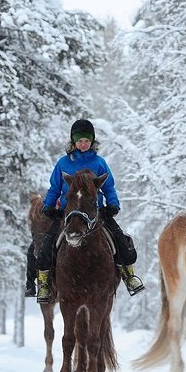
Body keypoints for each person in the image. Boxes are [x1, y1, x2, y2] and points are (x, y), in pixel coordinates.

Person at [35, 119, 144, 303]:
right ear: (73, 142)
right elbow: (54, 187)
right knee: (47, 246)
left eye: (86, 140)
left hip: (95, 212)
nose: (83, 144)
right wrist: (48, 205)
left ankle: (129, 276)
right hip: (68, 214)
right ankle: (44, 284)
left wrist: (113, 204)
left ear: (92, 141)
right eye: (79, 141)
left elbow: (109, 187)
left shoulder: (99, 163)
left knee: (120, 240)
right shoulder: (63, 164)